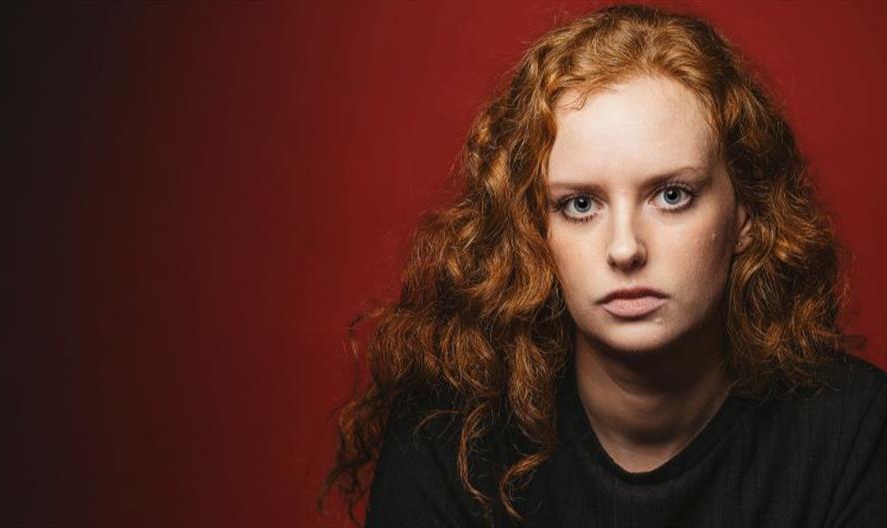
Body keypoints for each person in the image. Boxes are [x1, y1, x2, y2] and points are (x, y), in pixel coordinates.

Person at [319, 4, 887, 527]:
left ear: (746, 214)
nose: (624, 249)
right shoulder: (447, 438)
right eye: (580, 205)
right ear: (535, 230)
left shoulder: (858, 430)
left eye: (671, 196)